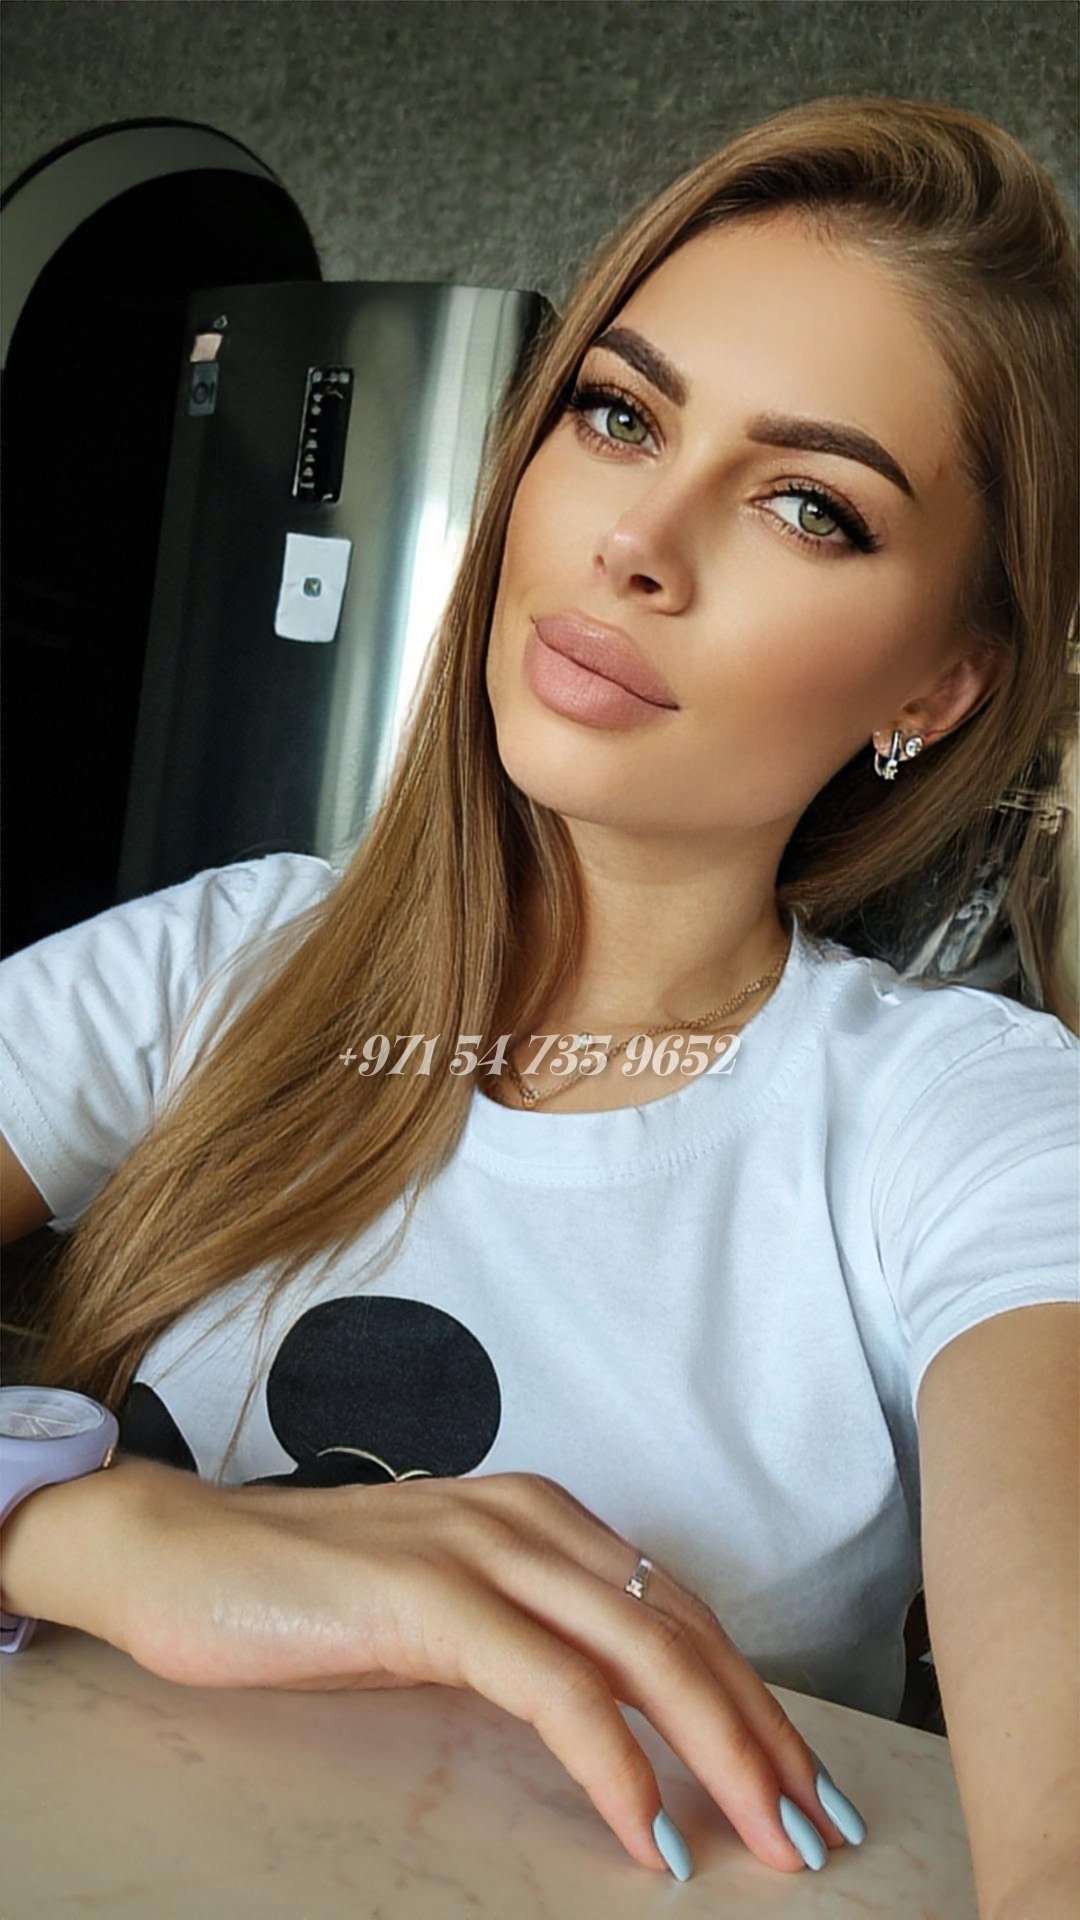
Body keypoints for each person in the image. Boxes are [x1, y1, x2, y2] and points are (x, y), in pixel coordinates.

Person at [1, 94, 1077, 1898]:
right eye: (620, 413)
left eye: (810, 506)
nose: (637, 538)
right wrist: (92, 1536)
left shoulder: (970, 1122)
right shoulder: (214, 966)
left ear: (939, 689)